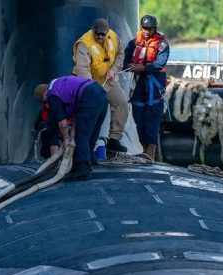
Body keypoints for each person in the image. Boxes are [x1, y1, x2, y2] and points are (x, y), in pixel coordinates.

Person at [33, 76, 108, 181]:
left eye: (44, 101)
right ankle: (90, 159)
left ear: (44, 95)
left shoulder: (52, 94)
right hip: (100, 92)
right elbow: (77, 116)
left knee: (80, 135)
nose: (46, 104)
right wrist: (71, 134)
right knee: (91, 132)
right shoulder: (62, 88)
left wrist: (66, 139)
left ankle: (82, 168)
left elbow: (63, 124)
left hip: (88, 95)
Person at [73, 18, 128, 154]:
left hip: (108, 79)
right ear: (92, 30)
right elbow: (82, 70)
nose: (100, 37)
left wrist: (114, 69)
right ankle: (87, 146)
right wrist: (93, 89)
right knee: (93, 111)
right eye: (98, 34)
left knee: (121, 103)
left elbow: (120, 54)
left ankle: (114, 139)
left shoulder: (114, 37)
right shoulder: (84, 44)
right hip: (89, 83)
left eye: (103, 34)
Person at [123, 14, 170, 160]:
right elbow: (124, 59)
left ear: (154, 29)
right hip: (138, 85)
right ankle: (142, 150)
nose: (146, 31)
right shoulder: (133, 43)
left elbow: (159, 63)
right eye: (144, 28)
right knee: (138, 118)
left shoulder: (162, 45)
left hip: (154, 85)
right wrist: (129, 66)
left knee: (152, 119)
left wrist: (142, 68)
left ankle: (151, 153)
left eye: (149, 29)